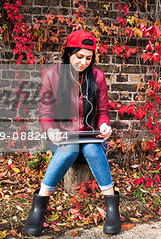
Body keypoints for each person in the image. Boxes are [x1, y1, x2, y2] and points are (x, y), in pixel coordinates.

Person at [24, 30, 121, 236]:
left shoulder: (98, 77)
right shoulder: (52, 75)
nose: (84, 62)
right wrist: (51, 132)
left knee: (94, 150)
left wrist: (104, 126)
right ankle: (38, 207)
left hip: (90, 137)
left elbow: (103, 112)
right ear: (68, 53)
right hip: (63, 138)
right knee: (68, 150)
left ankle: (112, 208)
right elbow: (46, 113)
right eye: (79, 56)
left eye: (88, 57)